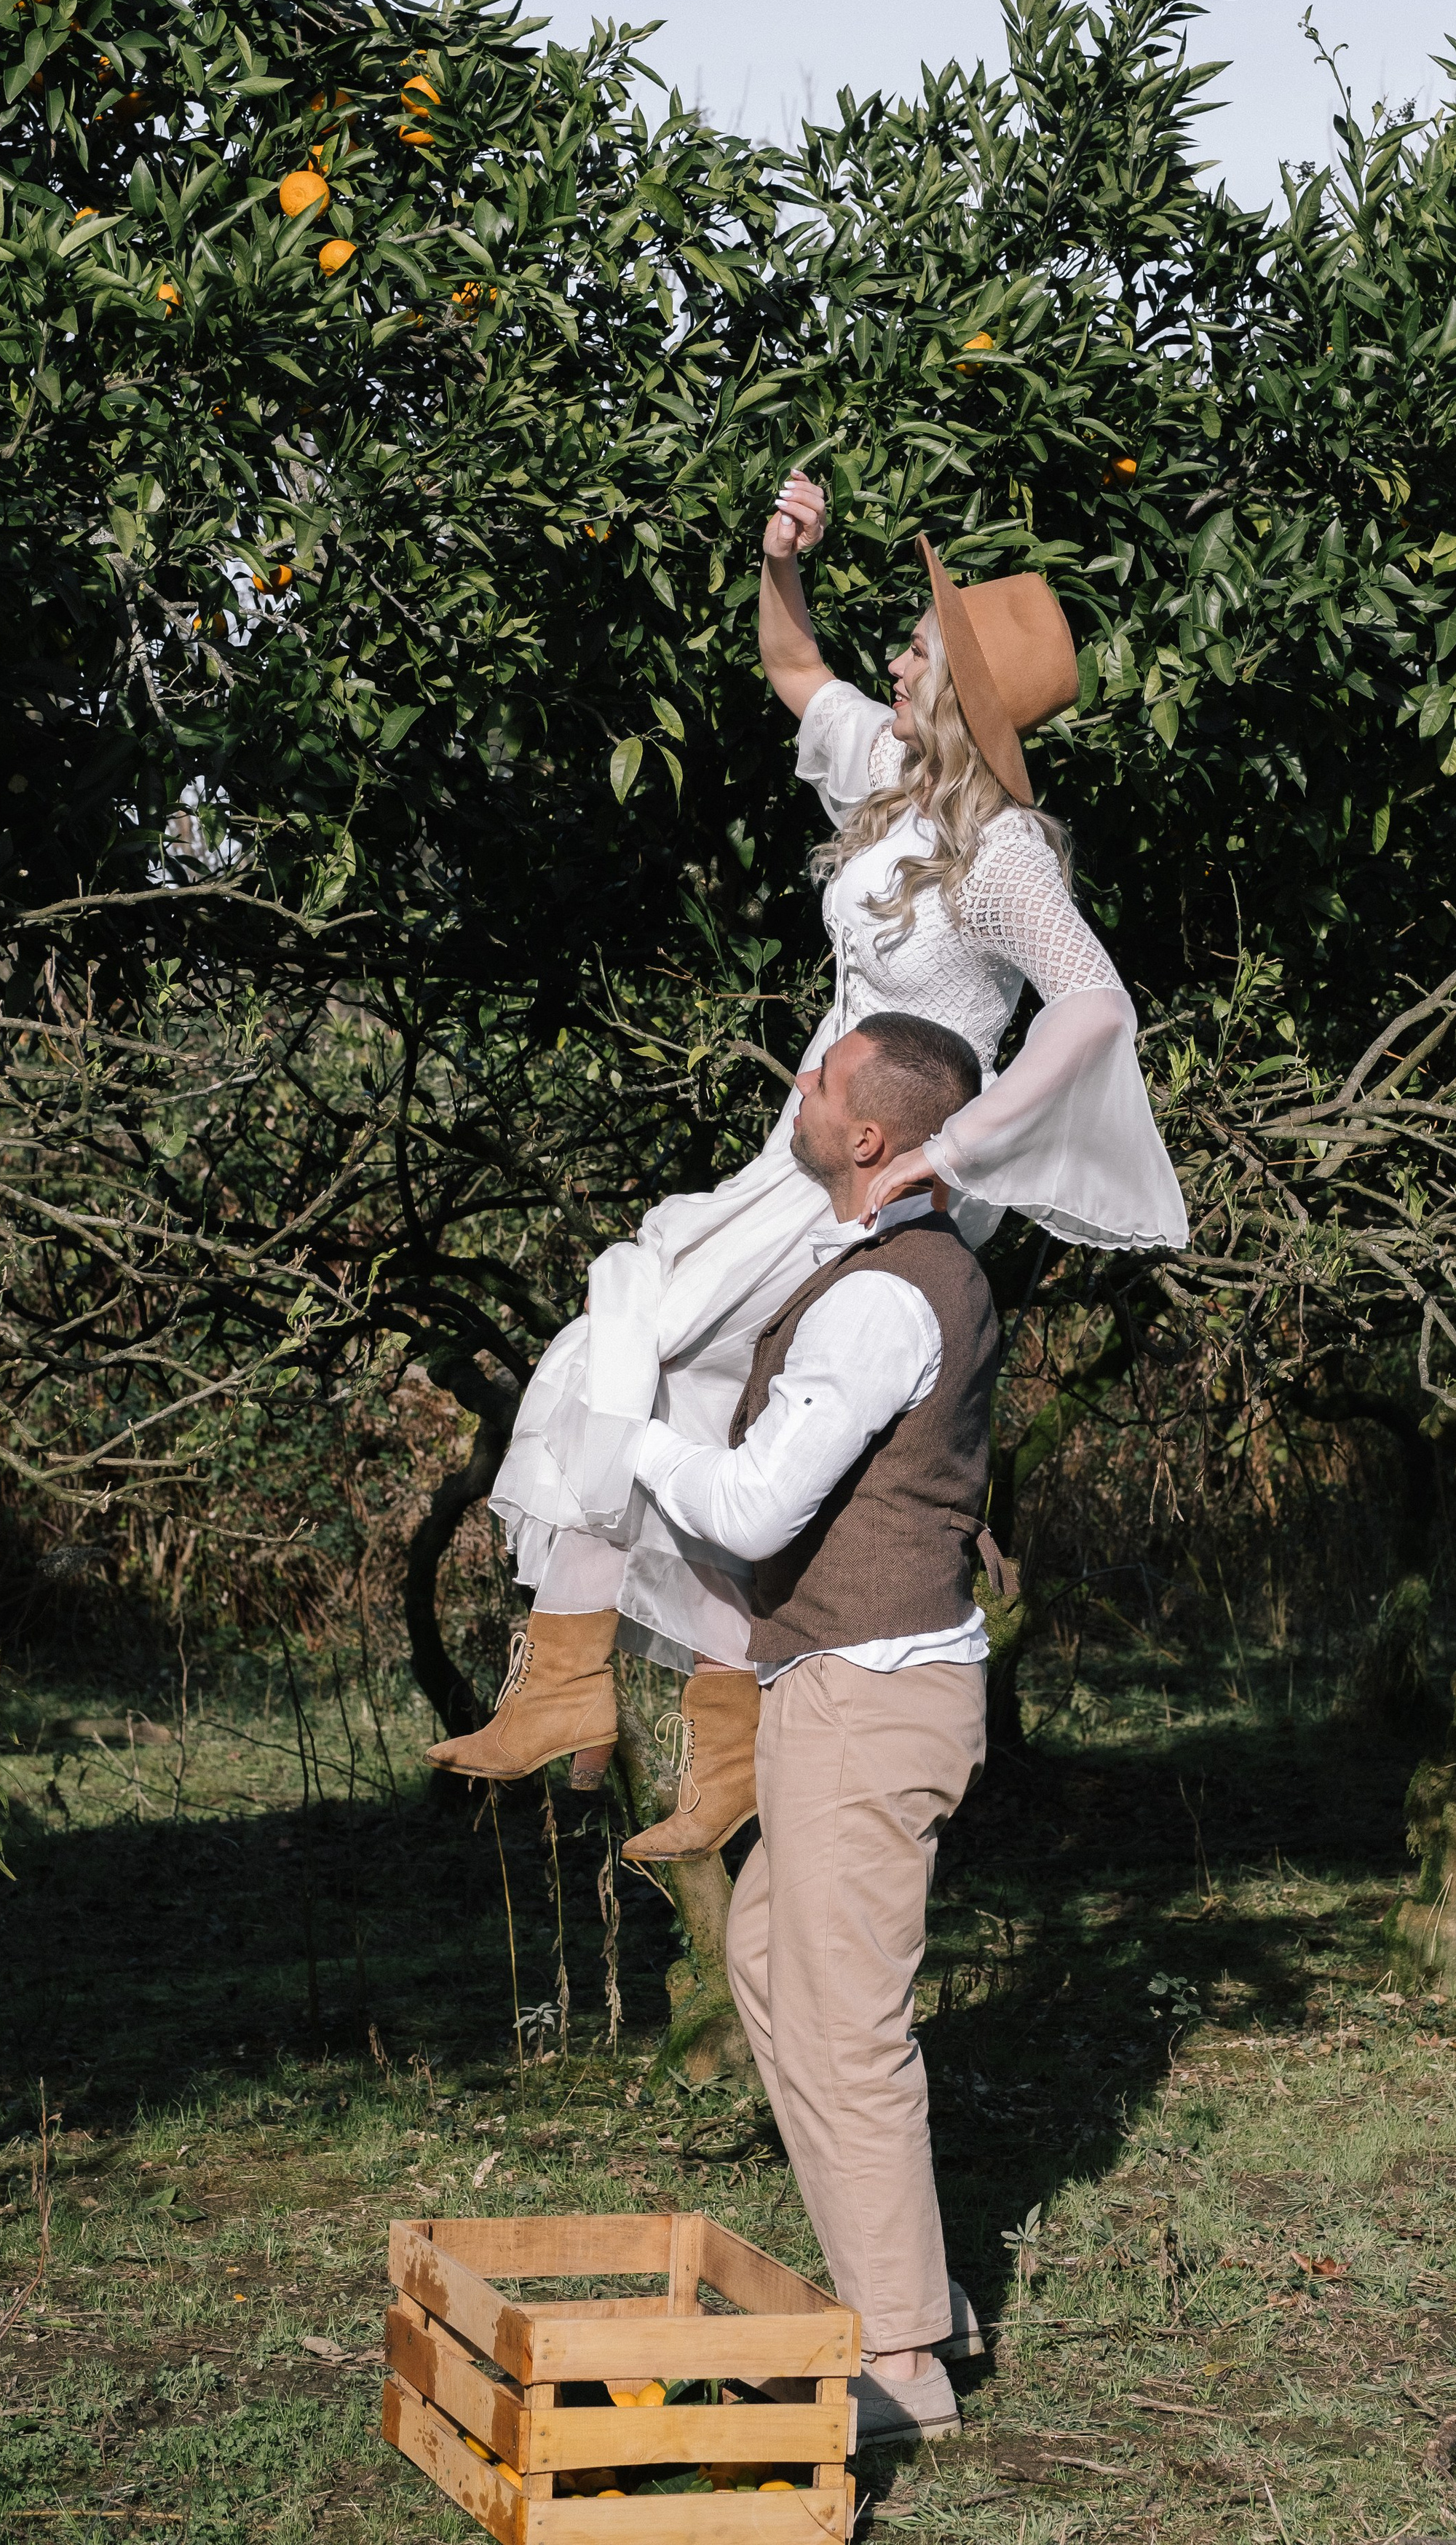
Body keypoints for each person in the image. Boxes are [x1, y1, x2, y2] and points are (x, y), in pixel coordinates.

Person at [428, 469, 1186, 1856]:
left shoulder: (1005, 853)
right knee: (683, 1384)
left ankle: (583, 1682)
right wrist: (781, 559)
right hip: (808, 1150)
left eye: (919, 650)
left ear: (964, 691)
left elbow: (1092, 1003)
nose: (896, 659)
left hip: (873, 1170)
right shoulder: (898, 781)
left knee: (636, 1324)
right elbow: (792, 660)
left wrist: (958, 1150)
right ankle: (667, 1717)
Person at [632, 1009, 1000, 2442]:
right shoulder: (878, 1269)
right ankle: (914, 2289)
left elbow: (753, 1510)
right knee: (769, 1952)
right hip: (848, 1685)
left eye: (822, 1075)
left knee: (848, 2027)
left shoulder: (882, 1298)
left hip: (867, 1696)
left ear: (862, 1136)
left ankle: (901, 2361)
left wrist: (628, 1430)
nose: (797, 1079)